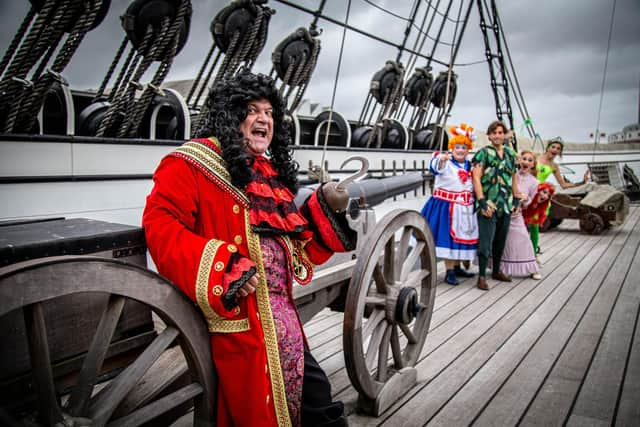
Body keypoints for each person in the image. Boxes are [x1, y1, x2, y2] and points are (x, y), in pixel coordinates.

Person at [142, 70, 356, 427]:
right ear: (230, 114)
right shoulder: (190, 163)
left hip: (282, 318)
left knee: (317, 402)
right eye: (253, 110)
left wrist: (323, 209)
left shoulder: (265, 171)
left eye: (270, 113)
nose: (264, 120)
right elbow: (160, 228)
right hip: (238, 323)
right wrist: (225, 267)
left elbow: (297, 251)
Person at [421, 123, 478, 285]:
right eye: (458, 147)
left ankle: (458, 266)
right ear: (452, 148)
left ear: (468, 150)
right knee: (447, 239)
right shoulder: (445, 161)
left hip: (465, 207)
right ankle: (449, 271)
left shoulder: (470, 165)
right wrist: (441, 161)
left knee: (461, 238)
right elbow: (435, 168)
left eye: (464, 147)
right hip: (446, 207)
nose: (460, 150)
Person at [471, 120, 520, 290]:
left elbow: (513, 177)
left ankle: (497, 270)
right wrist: (482, 201)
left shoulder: (510, 154)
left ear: (504, 135)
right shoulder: (482, 154)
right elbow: (476, 177)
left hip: (505, 202)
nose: (497, 135)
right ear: (489, 136)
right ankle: (482, 276)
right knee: (486, 241)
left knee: (500, 240)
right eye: (494, 132)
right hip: (489, 202)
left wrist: (516, 198)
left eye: (501, 132)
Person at [497, 150, 541, 280]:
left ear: (533, 164)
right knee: (504, 241)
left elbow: (531, 201)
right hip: (503, 211)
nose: (526, 162)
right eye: (524, 159)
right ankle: (503, 268)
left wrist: (525, 199)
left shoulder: (534, 182)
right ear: (519, 160)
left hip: (517, 214)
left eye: (529, 160)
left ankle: (532, 268)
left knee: (524, 239)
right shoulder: (511, 174)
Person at [524, 182, 556, 257]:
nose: (545, 196)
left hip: (537, 212)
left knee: (535, 228)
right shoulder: (527, 197)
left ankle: (533, 254)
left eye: (548, 195)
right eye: (544, 192)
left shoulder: (543, 205)